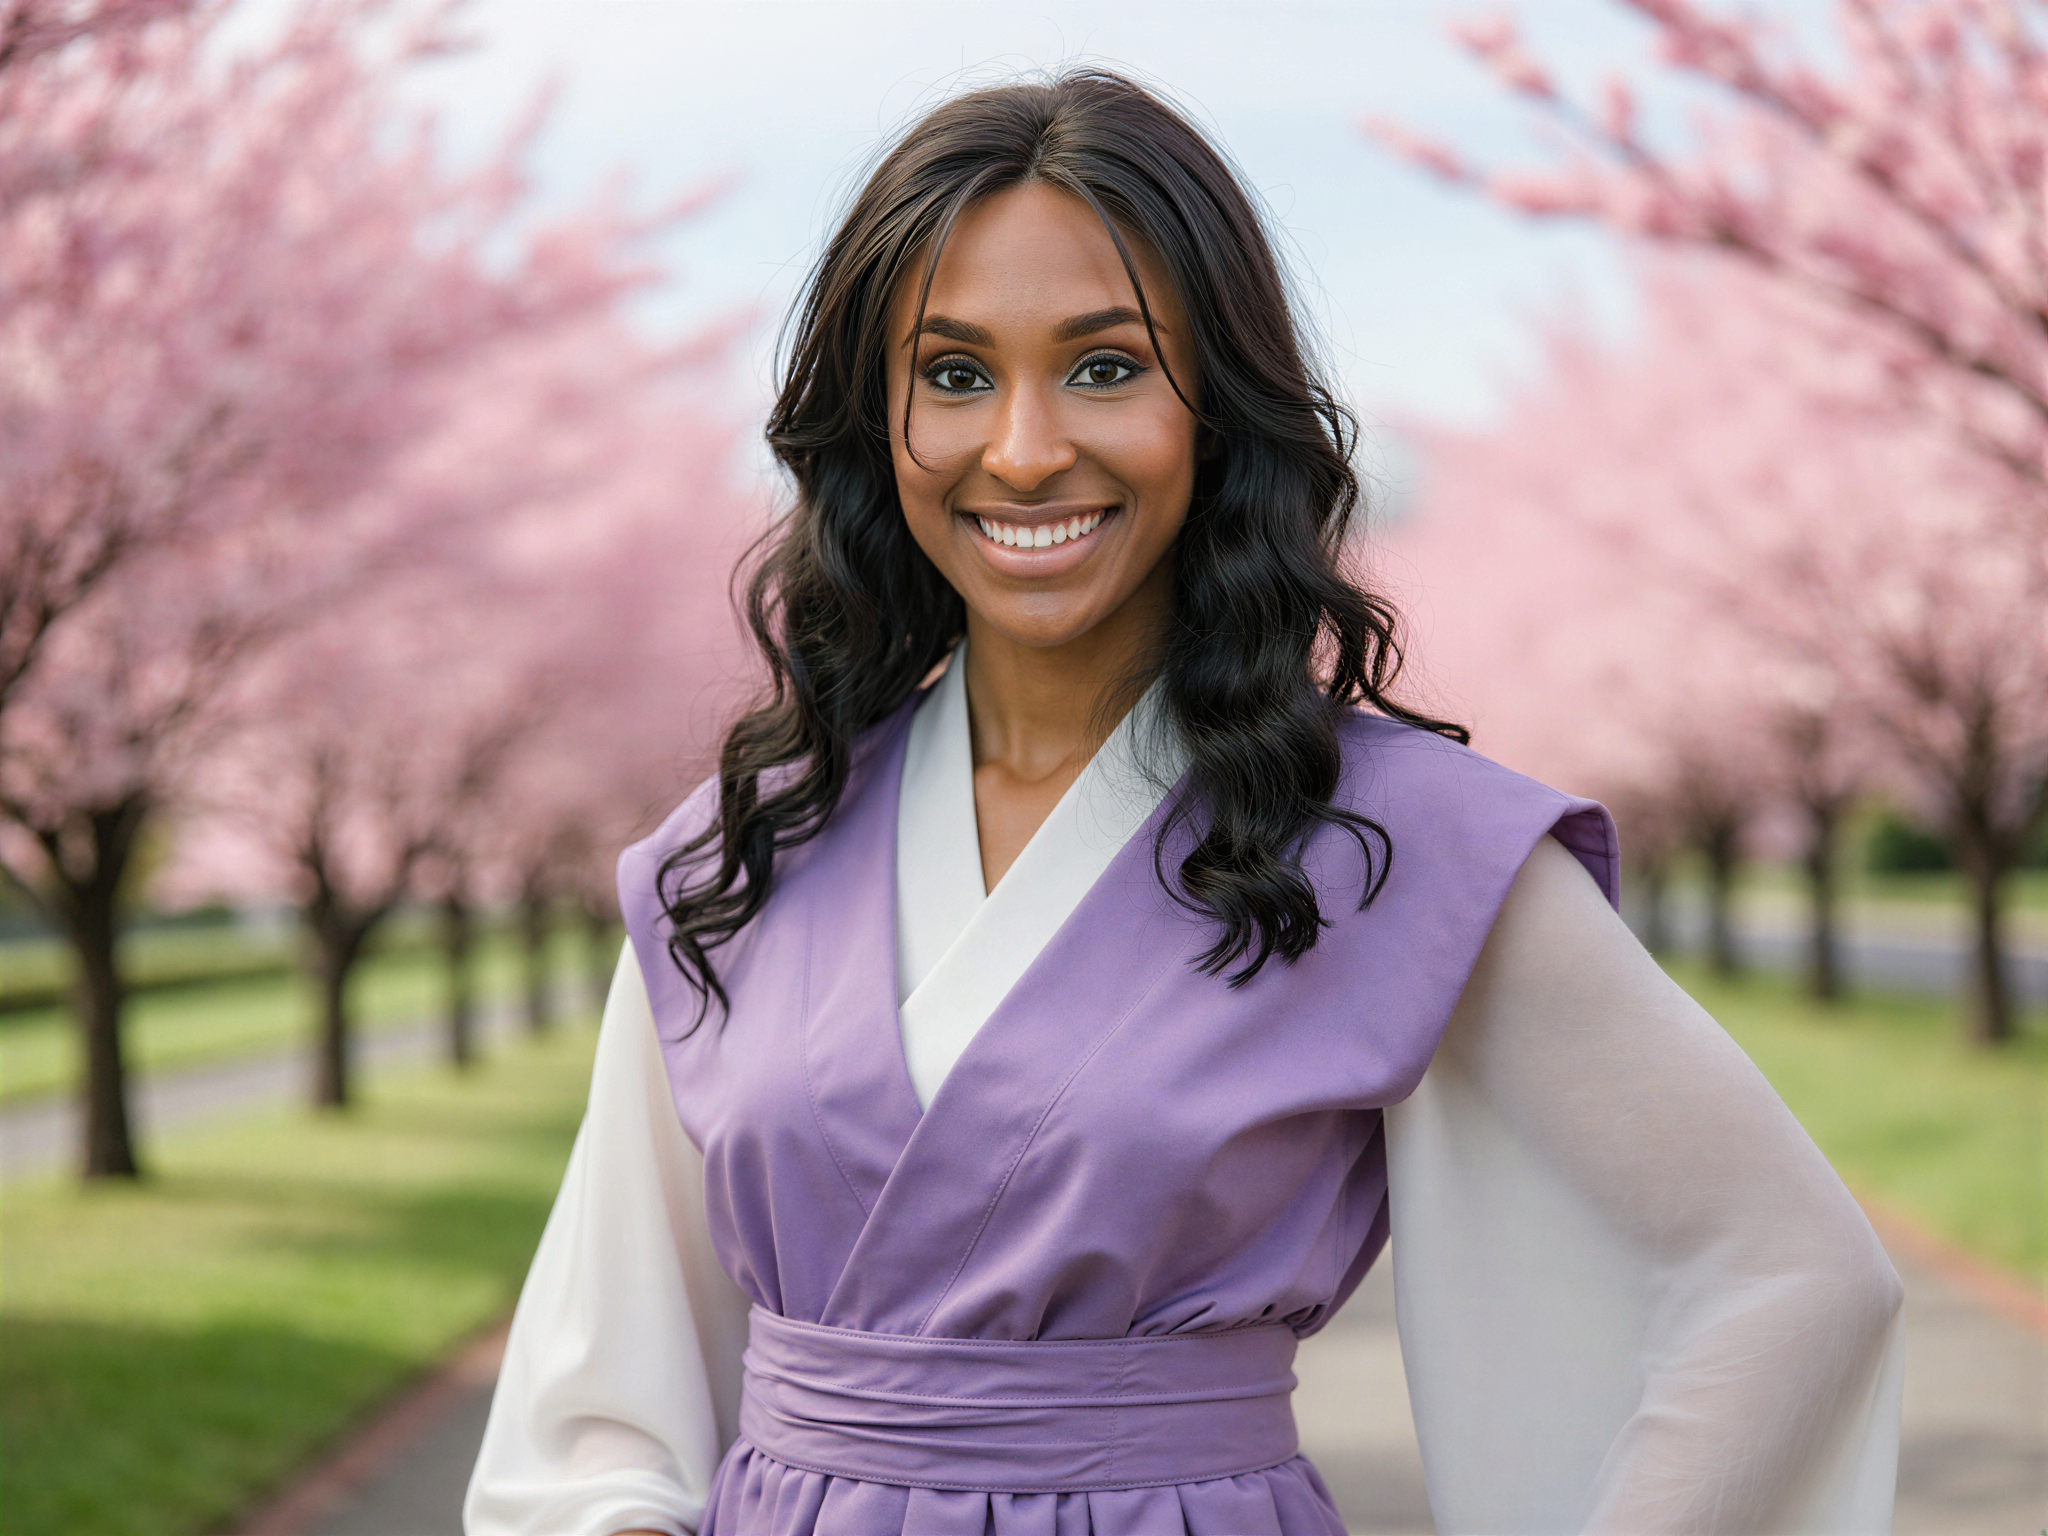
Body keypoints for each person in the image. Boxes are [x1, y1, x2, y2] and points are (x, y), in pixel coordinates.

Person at [464, 70, 1904, 1536]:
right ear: (872, 420)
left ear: (1217, 404)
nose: (1024, 449)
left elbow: (1791, 1277)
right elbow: (600, 1403)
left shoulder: (1393, 845)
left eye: (1104, 367)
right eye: (954, 375)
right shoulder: (739, 862)